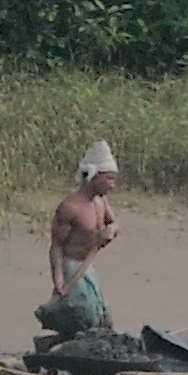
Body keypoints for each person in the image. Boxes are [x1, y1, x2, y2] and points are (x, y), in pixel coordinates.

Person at [47, 141, 120, 329]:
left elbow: (113, 223)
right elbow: (56, 246)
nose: (112, 185)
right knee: (84, 320)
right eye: (109, 179)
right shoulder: (70, 207)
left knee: (106, 320)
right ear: (94, 176)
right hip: (72, 267)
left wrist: (110, 231)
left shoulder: (101, 201)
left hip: (89, 267)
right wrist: (58, 280)